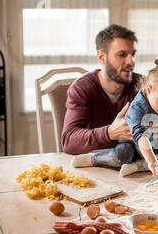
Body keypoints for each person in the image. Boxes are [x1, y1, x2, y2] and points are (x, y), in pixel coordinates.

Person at [72, 59, 158, 177]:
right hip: (131, 145)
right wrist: (152, 161)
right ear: (149, 89)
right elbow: (142, 137)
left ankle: (137, 166)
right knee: (123, 154)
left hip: (153, 147)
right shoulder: (138, 107)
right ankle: (94, 159)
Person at [61, 24, 143, 155]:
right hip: (92, 168)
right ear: (102, 57)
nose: (131, 62)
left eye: (133, 54)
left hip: (135, 166)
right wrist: (109, 133)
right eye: (122, 55)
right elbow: (69, 141)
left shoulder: (143, 85)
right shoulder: (81, 88)